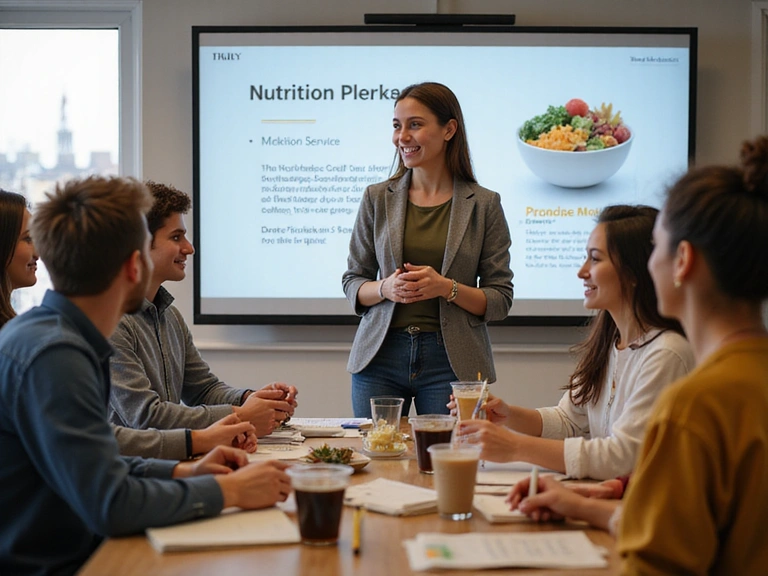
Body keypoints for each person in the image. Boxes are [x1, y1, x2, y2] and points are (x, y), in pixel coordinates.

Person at [0, 176, 291, 576]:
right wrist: (229, 490)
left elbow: (101, 459)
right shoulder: (56, 355)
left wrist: (183, 471)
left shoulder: (59, 336)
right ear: (135, 265)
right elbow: (110, 504)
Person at [509, 136, 768, 574]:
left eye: (658, 248)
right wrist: (597, 502)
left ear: (682, 260)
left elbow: (658, 563)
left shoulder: (696, 404)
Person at [0, 189, 257, 460]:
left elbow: (96, 451)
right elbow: (109, 460)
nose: (189, 248)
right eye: (176, 237)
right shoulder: (53, 348)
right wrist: (207, 442)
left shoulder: (41, 334)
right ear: (136, 260)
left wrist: (188, 465)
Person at [458, 205, 694, 479]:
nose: (582, 272)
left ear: (633, 272)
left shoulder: (667, 354)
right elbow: (569, 420)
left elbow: (622, 458)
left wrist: (514, 447)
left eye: (595, 259)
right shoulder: (610, 344)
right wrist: (508, 415)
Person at [342, 82, 514, 417]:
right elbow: (353, 282)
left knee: (447, 463)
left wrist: (444, 288)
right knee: (378, 460)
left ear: (449, 129)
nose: (402, 137)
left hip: (452, 362)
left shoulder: (484, 204)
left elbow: (500, 300)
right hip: (380, 356)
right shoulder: (376, 198)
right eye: (397, 126)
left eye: (415, 125)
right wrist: (385, 287)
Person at [108, 181, 298, 441]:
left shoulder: (170, 316)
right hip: (135, 473)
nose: (189, 248)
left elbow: (203, 389)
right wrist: (241, 415)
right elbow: (145, 417)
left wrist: (252, 399)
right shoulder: (113, 323)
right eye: (176, 237)